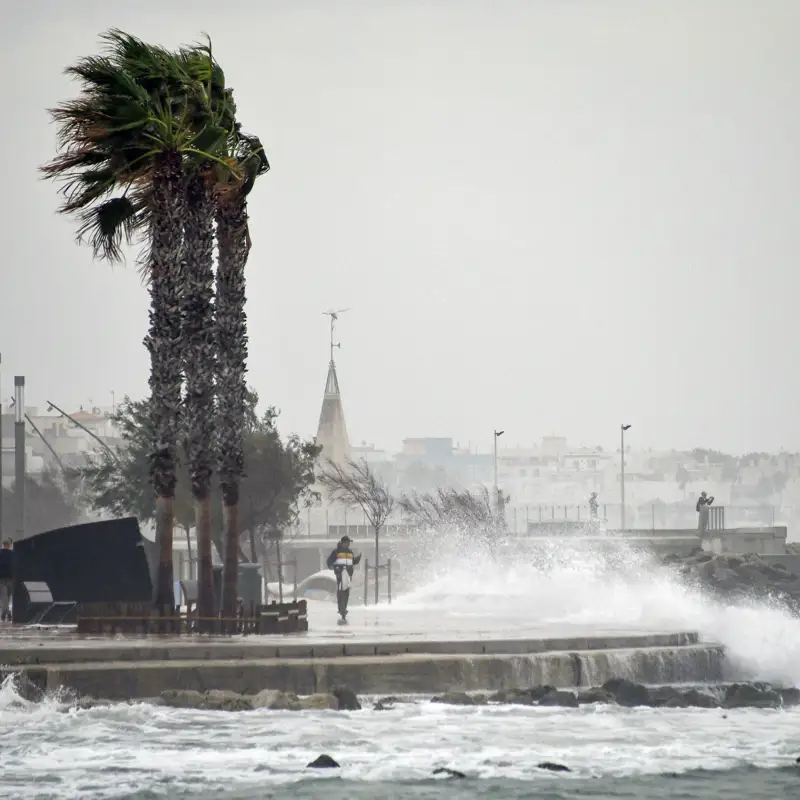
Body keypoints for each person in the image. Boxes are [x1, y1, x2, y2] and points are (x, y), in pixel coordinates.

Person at [326, 535, 361, 623]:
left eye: (349, 543)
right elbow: (329, 561)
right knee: (341, 591)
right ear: (343, 543)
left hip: (348, 574)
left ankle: (344, 608)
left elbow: (352, 562)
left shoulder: (350, 552)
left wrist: (357, 559)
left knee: (346, 592)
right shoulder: (336, 552)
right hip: (340, 574)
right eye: (347, 542)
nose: (349, 544)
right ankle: (341, 609)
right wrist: (335, 568)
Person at [0, 539, 13, 623]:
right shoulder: (13, 554)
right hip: (10, 578)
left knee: (6, 598)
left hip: (2, 578)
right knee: (6, 597)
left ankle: (4, 613)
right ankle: (7, 614)